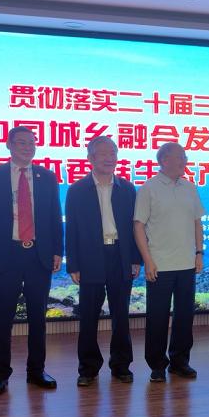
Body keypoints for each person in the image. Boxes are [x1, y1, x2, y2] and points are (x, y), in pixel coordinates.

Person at [0, 126, 63, 394]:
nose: (28, 147)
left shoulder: (47, 177)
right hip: (5, 255)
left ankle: (36, 371)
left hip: (38, 255)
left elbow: (54, 217)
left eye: (32, 143)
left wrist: (57, 251)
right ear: (9, 145)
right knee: (3, 318)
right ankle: (0, 375)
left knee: (38, 317)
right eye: (22, 142)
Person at [66, 136, 140, 386]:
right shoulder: (77, 190)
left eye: (113, 153)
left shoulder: (127, 188)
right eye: (104, 153)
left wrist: (135, 258)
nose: (110, 158)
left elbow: (135, 227)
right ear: (91, 158)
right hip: (90, 258)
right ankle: (88, 368)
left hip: (120, 256)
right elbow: (71, 230)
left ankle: (121, 365)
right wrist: (73, 264)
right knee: (89, 316)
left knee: (121, 315)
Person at [134, 142, 204, 382]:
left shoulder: (190, 187)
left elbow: (197, 222)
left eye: (184, 157)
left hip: (186, 263)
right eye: (179, 157)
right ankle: (156, 365)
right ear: (163, 160)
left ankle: (179, 362)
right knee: (157, 317)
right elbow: (138, 226)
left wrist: (199, 253)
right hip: (159, 264)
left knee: (185, 316)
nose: (184, 161)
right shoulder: (149, 188)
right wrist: (147, 260)